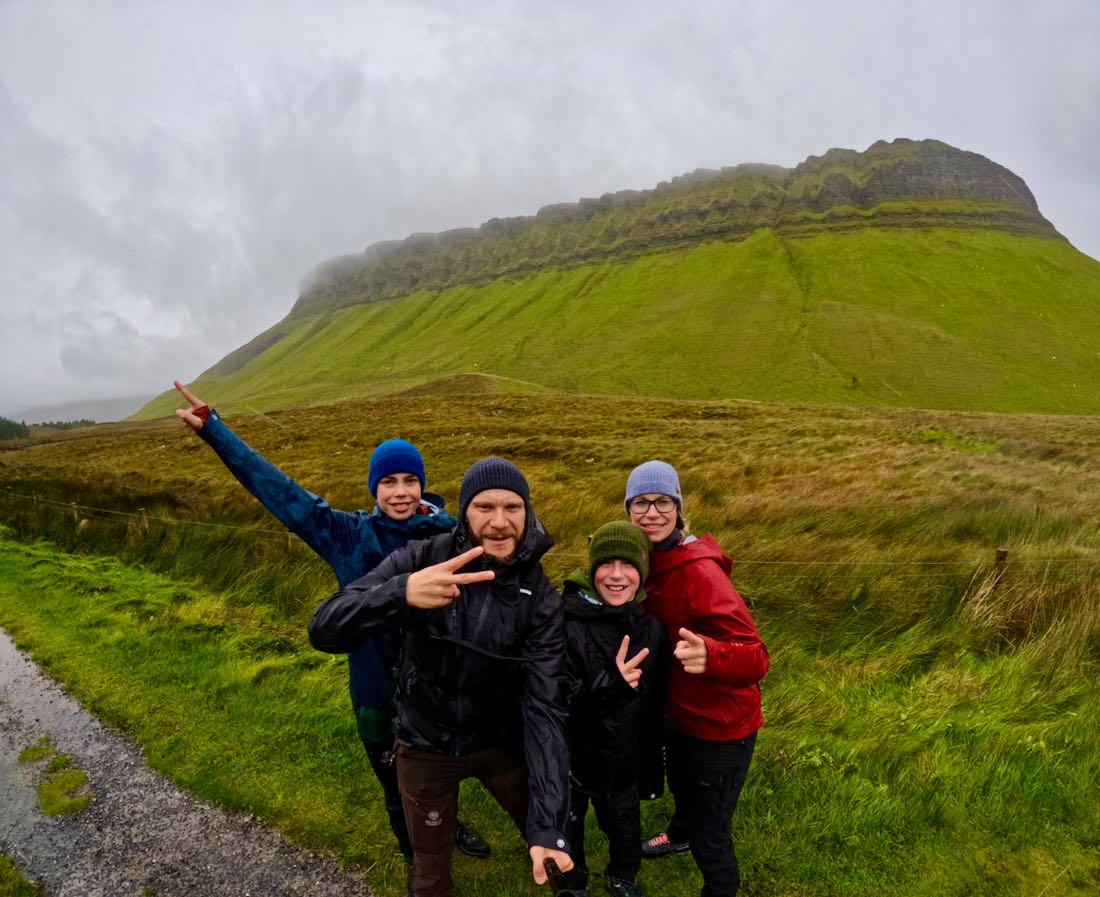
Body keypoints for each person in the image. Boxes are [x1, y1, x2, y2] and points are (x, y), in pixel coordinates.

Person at [171, 381, 490, 862]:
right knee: (393, 782)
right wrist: (216, 431)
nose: (400, 493)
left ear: (422, 484)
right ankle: (417, 861)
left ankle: (451, 822)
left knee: (435, 773)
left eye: (409, 480)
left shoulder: (450, 534)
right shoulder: (346, 534)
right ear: (373, 488)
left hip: (437, 689)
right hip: (374, 691)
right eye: (388, 482)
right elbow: (282, 493)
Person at [308, 456, 574, 897]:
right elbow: (325, 627)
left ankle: (566, 876)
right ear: (464, 512)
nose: (499, 522)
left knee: (553, 843)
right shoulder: (423, 557)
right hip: (423, 743)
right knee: (430, 874)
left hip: (497, 743)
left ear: (528, 513)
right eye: (484, 507)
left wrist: (547, 826)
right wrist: (400, 593)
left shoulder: (540, 599)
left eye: (512, 508)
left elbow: (546, 709)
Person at [624, 460, 768, 897]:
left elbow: (757, 657)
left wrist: (714, 655)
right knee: (684, 792)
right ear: (628, 510)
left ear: (678, 508)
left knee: (713, 834)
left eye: (662, 502)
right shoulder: (647, 559)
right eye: (641, 503)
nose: (652, 512)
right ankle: (680, 832)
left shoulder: (699, 572)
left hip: (722, 727)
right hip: (680, 715)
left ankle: (717, 881)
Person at [559, 521, 666, 897]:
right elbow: (559, 695)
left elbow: (652, 703)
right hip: (572, 755)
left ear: (643, 571)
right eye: (607, 564)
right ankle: (571, 882)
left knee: (624, 824)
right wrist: (611, 683)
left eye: (628, 564)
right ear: (592, 569)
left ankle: (623, 875)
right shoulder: (566, 622)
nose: (617, 575)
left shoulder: (651, 626)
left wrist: (652, 762)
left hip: (624, 758)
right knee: (567, 824)